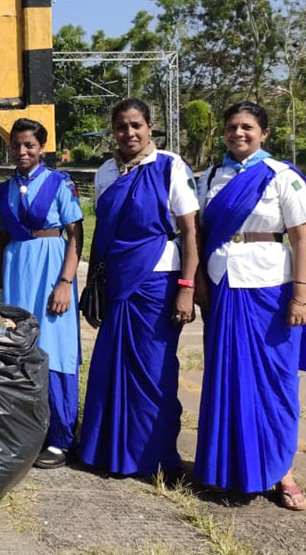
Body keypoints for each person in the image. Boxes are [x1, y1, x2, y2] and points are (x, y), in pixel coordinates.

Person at [193, 101, 306, 511]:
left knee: (275, 383)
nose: (239, 133)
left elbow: (301, 238)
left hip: (269, 289)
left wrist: (301, 295)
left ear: (264, 133)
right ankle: (228, 469)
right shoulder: (211, 177)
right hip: (223, 286)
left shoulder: (282, 176)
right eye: (232, 127)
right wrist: (197, 280)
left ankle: (281, 470)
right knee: (227, 380)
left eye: (247, 127)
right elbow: (195, 233)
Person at [78, 98, 199, 477]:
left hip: (159, 280)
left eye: (136, 126)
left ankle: (155, 456)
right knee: (111, 368)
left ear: (149, 127)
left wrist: (187, 286)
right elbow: (103, 233)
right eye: (121, 127)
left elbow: (191, 230)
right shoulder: (105, 173)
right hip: (117, 281)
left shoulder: (168, 166)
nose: (129, 133)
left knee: (154, 371)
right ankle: (108, 451)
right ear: (112, 131)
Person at [0, 118, 84, 470]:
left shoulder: (60, 183)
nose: (22, 151)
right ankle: (27, 434)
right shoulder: (3, 189)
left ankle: (61, 436)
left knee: (55, 348)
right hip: (17, 267)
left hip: (51, 269)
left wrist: (65, 281)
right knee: (20, 347)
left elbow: (75, 234)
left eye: (29, 145)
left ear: (42, 147)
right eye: (17, 145)